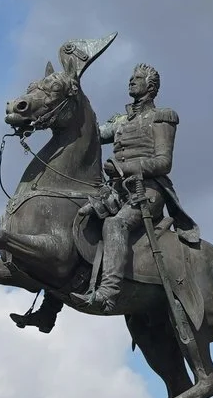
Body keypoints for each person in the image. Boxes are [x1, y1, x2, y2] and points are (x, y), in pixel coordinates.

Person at [82, 63, 193, 313]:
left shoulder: (162, 117)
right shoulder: (121, 121)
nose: (131, 81)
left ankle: (109, 292)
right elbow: (90, 135)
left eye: (137, 78)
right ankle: (50, 307)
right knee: (77, 217)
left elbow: (164, 163)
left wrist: (124, 168)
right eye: (130, 77)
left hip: (147, 191)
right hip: (116, 191)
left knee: (115, 224)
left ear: (150, 86)